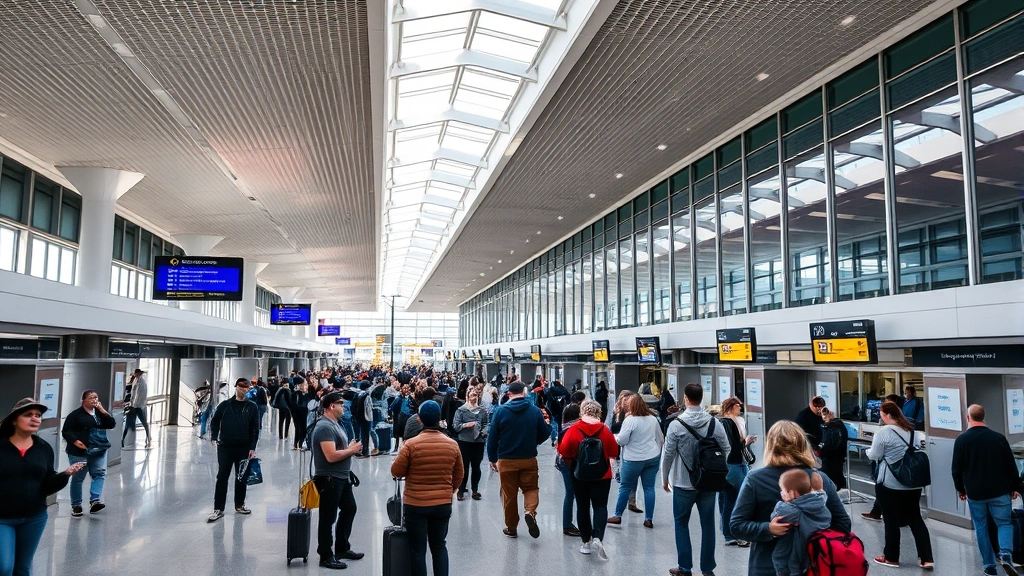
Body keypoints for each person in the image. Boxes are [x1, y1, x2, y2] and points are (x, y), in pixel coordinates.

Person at [729, 420, 852, 576]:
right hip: (814, 565)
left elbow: (736, 526)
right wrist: (814, 529)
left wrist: (768, 529)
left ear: (771, 446)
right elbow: (843, 523)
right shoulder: (819, 478)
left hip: (767, 566)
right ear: (803, 445)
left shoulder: (755, 480)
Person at [1, 398, 85, 576]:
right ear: (14, 419)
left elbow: (47, 484)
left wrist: (65, 475)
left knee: (23, 568)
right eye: (28, 415)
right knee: (4, 566)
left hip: (34, 517)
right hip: (2, 518)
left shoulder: (43, 448)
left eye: (38, 415)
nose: (35, 418)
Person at [662, 383, 731, 576]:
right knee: (708, 524)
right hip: (708, 483)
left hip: (683, 483)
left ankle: (685, 567)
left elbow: (667, 455)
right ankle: (707, 569)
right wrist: (712, 467)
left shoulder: (676, 425)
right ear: (702, 399)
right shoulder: (714, 423)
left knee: (681, 523)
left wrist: (664, 478)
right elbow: (726, 449)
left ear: (685, 398)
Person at [390, 401, 464, 576]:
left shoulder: (410, 445)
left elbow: (396, 471)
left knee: (418, 550)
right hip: (442, 504)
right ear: (439, 419)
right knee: (439, 546)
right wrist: (449, 491)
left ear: (420, 419)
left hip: (415, 505)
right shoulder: (452, 444)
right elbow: (459, 475)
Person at [952, 404, 1020, 576]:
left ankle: (989, 566)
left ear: (968, 418)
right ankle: (1005, 554)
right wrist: (1015, 487)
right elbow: (1011, 466)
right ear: (984, 417)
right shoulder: (998, 438)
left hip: (975, 493)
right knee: (1004, 523)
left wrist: (961, 490)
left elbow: (956, 470)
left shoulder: (962, 440)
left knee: (981, 526)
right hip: (1000, 490)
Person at [866, 400, 934, 569]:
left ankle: (891, 557)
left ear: (888, 415)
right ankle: (926, 558)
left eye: (882, 415)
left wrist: (868, 451)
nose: (881, 418)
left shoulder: (884, 432)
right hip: (912, 483)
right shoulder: (912, 431)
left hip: (890, 482)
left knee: (890, 520)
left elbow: (874, 455)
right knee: (915, 518)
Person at [486, 380, 552, 539]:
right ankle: (529, 511)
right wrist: (532, 440)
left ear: (509, 394)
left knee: (509, 495)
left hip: (506, 460)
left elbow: (492, 437)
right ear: (524, 393)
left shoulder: (500, 411)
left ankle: (511, 527)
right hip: (528, 458)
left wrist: (492, 458)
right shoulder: (535, 411)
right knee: (531, 489)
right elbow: (544, 433)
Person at [557, 399, 619, 559]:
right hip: (602, 475)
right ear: (599, 413)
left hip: (580, 475)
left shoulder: (574, 429)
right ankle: (598, 537)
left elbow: (564, 451)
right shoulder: (604, 430)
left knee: (583, 506)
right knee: (600, 506)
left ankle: (586, 542)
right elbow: (614, 451)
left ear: (582, 412)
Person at [311, 391, 364, 570]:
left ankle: (341, 547)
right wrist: (352, 450)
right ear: (331, 406)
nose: (344, 407)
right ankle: (325, 555)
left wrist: (348, 448)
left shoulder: (335, 424)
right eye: (341, 404)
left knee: (349, 508)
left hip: (341, 477)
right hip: (329, 479)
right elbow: (331, 456)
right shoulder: (324, 427)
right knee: (328, 517)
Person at [206, 378, 260, 523]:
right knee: (222, 476)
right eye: (241, 387)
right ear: (236, 387)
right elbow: (215, 420)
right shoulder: (225, 405)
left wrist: (252, 447)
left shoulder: (252, 407)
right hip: (225, 446)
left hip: (243, 447)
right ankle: (218, 508)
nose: (244, 390)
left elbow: (255, 428)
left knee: (241, 476)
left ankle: (239, 504)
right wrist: (214, 436)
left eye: (246, 388)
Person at [608, 394, 664, 529]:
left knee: (625, 487)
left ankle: (618, 515)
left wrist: (615, 437)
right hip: (652, 457)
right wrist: (656, 452)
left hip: (633, 459)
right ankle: (648, 519)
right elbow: (661, 439)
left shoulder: (630, 421)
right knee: (649, 488)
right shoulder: (653, 419)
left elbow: (622, 441)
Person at [61, 389, 116, 517]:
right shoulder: (75, 415)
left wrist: (102, 409)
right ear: (83, 400)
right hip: (80, 451)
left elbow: (111, 423)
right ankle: (76, 505)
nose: (94, 400)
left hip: (98, 449)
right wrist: (76, 441)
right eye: (91, 398)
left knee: (99, 474)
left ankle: (95, 501)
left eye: (96, 397)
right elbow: (66, 431)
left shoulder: (99, 414)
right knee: (78, 477)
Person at [770, 470, 831, 576]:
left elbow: (777, 515)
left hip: (792, 562)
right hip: (814, 558)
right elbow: (820, 493)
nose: (781, 494)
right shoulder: (821, 505)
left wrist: (786, 502)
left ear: (792, 493)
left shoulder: (793, 511)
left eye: (783, 491)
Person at [718, 397, 755, 547]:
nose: (740, 408)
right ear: (731, 407)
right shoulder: (730, 422)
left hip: (727, 465)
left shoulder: (720, 422)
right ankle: (739, 534)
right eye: (738, 406)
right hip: (735, 464)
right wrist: (745, 443)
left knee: (729, 500)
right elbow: (733, 446)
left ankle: (728, 534)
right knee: (740, 500)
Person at [452, 386, 488, 501]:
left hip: (478, 442)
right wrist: (467, 425)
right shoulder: (461, 410)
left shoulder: (482, 411)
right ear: (467, 396)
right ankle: (461, 490)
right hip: (464, 442)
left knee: (476, 467)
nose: (474, 397)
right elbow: (456, 426)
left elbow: (486, 424)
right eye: (472, 395)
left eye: (476, 395)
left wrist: (483, 432)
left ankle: (475, 489)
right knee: (464, 467)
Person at [556, 402, 582, 537]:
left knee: (569, 493)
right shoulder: (575, 428)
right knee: (575, 494)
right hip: (571, 462)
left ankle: (568, 523)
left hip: (563, 462)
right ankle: (569, 524)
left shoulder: (564, 427)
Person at [817, 408, 848, 491]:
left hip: (831, 458)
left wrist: (827, 424)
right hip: (836, 458)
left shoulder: (834, 427)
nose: (823, 416)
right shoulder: (838, 426)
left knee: (830, 479)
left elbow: (829, 442)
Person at [122, 368, 152, 449]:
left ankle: (149, 439)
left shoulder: (141, 382)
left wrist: (134, 404)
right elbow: (134, 393)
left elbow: (139, 395)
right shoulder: (136, 380)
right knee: (129, 423)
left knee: (142, 423)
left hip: (137, 406)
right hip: (134, 405)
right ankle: (123, 441)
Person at [544, 379, 570, 446]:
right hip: (561, 409)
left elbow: (546, 398)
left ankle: (553, 439)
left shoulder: (551, 390)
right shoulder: (563, 390)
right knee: (560, 424)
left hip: (552, 409)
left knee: (553, 423)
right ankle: (560, 438)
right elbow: (568, 399)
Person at [290, 380, 313, 451]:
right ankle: (296, 444)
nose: (303, 387)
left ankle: (301, 443)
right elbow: (292, 403)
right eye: (301, 385)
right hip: (297, 414)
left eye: (305, 385)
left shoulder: (309, 395)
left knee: (304, 429)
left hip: (306, 414)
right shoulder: (296, 394)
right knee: (298, 428)